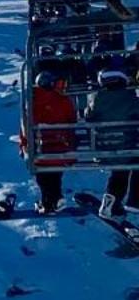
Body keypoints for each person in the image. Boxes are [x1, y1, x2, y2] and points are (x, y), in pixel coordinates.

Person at [84, 66, 139, 215]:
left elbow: (88, 116)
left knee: (120, 169)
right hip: (126, 146)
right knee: (133, 162)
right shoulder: (129, 98)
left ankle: (112, 200)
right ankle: (134, 200)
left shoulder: (95, 98)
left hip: (103, 149)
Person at [28, 70, 77, 213]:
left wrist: (24, 145)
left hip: (39, 148)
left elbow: (26, 125)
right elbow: (72, 120)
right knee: (55, 174)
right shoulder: (63, 100)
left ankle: (49, 201)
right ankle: (54, 199)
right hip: (60, 147)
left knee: (43, 176)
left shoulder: (32, 102)